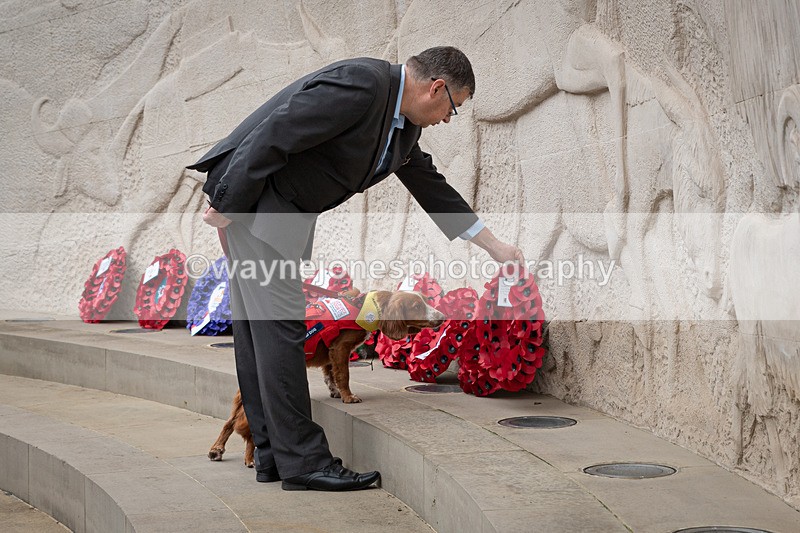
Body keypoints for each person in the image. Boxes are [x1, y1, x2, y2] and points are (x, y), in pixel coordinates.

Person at [187, 46, 524, 492]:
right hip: (256, 209)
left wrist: (493, 245)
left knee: (259, 331)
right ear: (436, 88)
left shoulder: (402, 133)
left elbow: (432, 189)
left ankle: (272, 453)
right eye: (453, 108)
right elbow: (278, 129)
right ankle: (304, 462)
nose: (447, 118)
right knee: (280, 329)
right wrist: (227, 201)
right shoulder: (364, 84)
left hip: (276, 216)